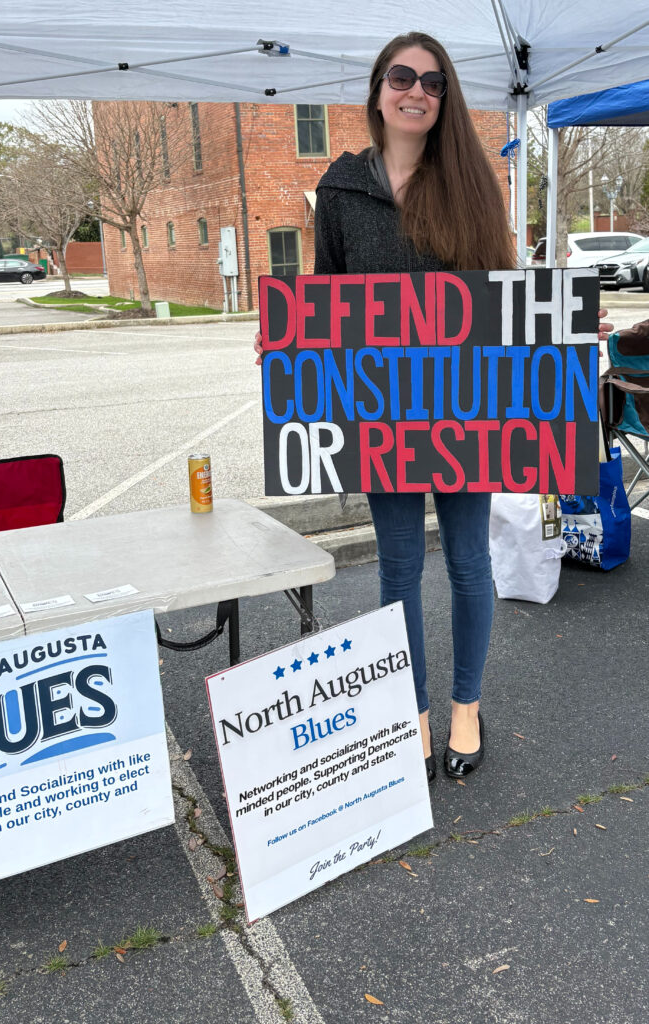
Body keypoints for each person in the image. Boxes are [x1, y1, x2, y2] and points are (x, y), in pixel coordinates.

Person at [255, 31, 613, 781]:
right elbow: (326, 293)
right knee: (394, 570)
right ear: (378, 89)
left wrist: (567, 328)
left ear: (444, 98)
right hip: (382, 412)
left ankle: (464, 708)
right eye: (401, 77)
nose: (415, 91)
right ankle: (409, 710)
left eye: (432, 81)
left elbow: (504, 293)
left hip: (463, 411)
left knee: (466, 564)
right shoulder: (342, 187)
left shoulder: (469, 183)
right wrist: (287, 344)